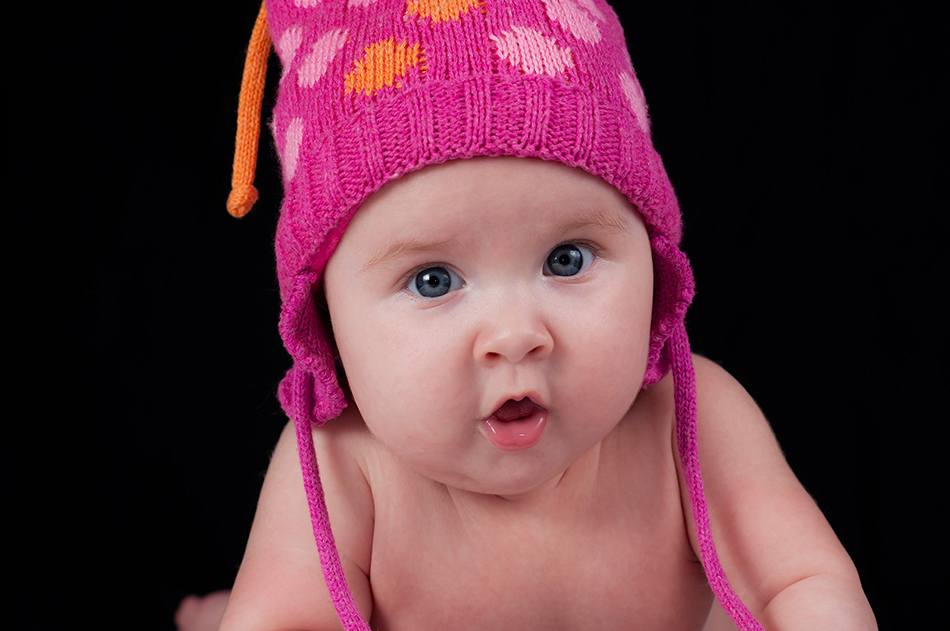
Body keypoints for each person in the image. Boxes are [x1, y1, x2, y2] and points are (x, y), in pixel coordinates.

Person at [180, 1, 876, 629]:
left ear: (657, 260)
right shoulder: (341, 464)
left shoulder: (689, 420)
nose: (516, 335)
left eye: (567, 260)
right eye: (432, 280)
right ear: (326, 322)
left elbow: (803, 581)